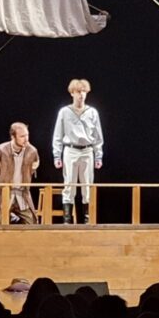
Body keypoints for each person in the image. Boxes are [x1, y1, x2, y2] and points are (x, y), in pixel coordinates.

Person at [52, 78, 104, 224]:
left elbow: (98, 136)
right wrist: (57, 155)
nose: (81, 95)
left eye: (84, 92)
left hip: (87, 151)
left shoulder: (92, 112)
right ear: (72, 93)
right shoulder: (64, 112)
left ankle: (87, 219)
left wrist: (98, 155)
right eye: (78, 92)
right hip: (70, 150)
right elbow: (58, 134)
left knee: (87, 185)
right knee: (69, 185)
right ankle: (67, 220)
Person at [0, 122, 39, 225]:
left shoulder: (32, 152)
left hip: (22, 194)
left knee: (31, 224)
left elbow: (33, 168)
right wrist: (0, 182)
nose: (26, 139)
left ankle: (12, 218)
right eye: (22, 136)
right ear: (13, 137)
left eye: (27, 135)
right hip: (4, 193)